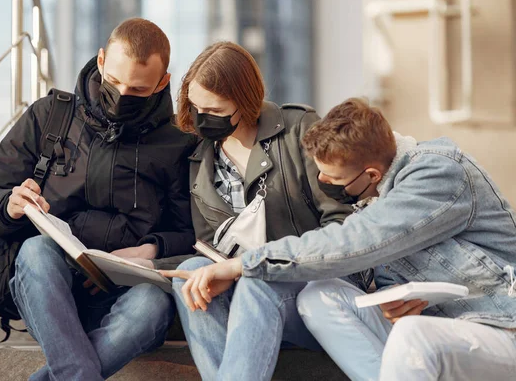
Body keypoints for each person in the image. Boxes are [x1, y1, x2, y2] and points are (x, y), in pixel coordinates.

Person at [164, 97, 516, 381]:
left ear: (371, 174)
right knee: (321, 297)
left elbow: (352, 243)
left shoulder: (437, 173)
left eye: (332, 177)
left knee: (414, 336)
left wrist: (242, 265)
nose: (321, 181)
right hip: (440, 329)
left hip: (499, 325)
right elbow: (376, 271)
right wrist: (391, 301)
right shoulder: (369, 196)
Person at [0, 18, 196, 380]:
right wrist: (8, 205)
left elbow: (191, 234)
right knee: (37, 251)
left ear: (163, 82)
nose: (122, 96)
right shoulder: (50, 116)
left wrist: (149, 250)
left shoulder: (179, 143)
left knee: (154, 305)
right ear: (101, 61)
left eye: (137, 89)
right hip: (46, 287)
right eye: (115, 82)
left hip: (125, 290)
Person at [161, 41, 354, 380]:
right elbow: (209, 249)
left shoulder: (297, 129)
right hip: (241, 294)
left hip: (308, 288)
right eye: (195, 108)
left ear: (246, 101)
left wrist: (249, 268)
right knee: (191, 273)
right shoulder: (199, 161)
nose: (203, 120)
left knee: (257, 281)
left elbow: (340, 222)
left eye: (216, 111)